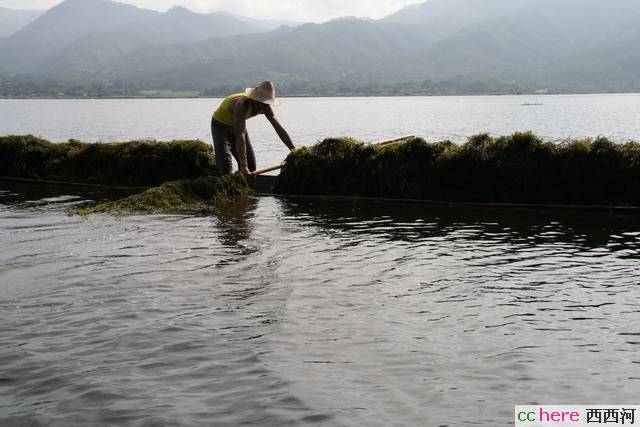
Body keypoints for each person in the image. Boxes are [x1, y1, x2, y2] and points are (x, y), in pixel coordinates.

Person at [211, 80, 295, 178]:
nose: (264, 106)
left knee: (251, 167)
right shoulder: (241, 104)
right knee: (226, 168)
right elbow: (240, 136)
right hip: (220, 126)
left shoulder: (265, 107)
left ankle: (248, 190)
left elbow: (278, 128)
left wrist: (293, 150)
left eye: (266, 102)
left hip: (237, 126)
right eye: (262, 102)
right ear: (255, 99)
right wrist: (243, 166)